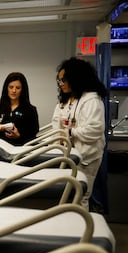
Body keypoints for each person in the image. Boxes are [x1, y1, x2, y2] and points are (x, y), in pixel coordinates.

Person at [51, 57, 106, 211]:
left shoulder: (91, 100)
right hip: (70, 155)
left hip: (87, 157)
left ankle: (82, 230)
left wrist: (70, 131)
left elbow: (94, 130)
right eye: (59, 80)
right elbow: (57, 123)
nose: (61, 84)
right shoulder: (68, 100)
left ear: (76, 78)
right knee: (70, 195)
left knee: (81, 196)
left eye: (64, 80)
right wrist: (58, 140)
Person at [0, 72, 40, 146]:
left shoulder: (30, 110)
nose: (14, 91)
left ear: (22, 90)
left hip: (20, 149)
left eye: (18, 88)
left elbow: (33, 134)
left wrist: (19, 136)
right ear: (6, 88)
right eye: (11, 87)